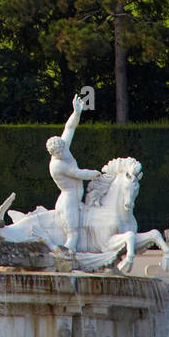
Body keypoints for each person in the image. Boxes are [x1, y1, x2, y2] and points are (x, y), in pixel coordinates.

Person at [46, 93, 100, 252]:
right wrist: (94, 174)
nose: (62, 153)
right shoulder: (57, 165)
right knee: (73, 234)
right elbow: (78, 174)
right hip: (68, 198)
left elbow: (69, 128)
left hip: (76, 195)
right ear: (52, 153)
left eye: (62, 149)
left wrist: (76, 112)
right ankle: (67, 257)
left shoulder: (63, 148)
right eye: (58, 152)